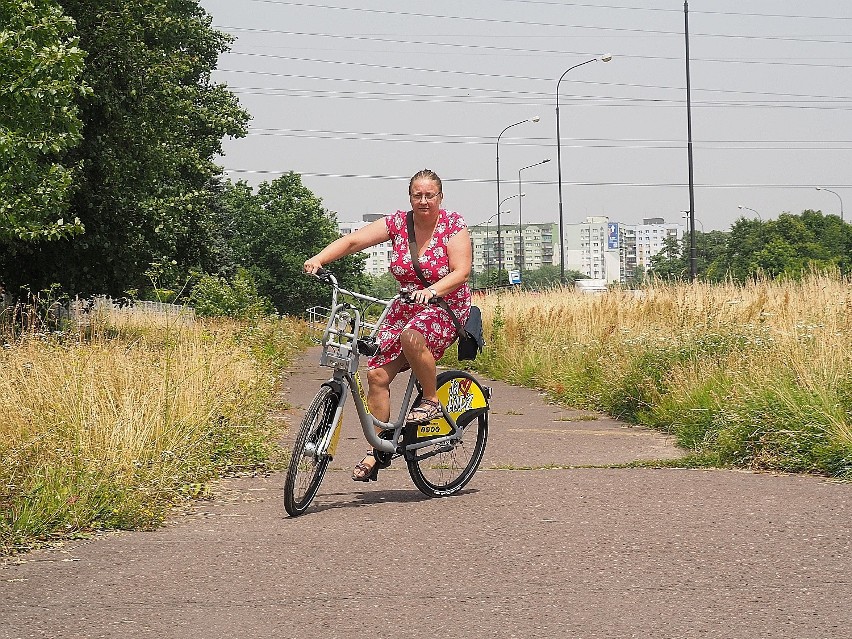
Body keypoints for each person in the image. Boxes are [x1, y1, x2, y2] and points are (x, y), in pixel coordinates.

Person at [303, 169, 472, 481]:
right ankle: (378, 449)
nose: (423, 200)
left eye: (429, 195)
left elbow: (461, 272)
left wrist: (432, 291)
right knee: (376, 375)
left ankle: (432, 400)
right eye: (417, 195)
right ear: (410, 197)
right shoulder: (398, 223)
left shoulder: (452, 225)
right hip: (406, 306)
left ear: (440, 197)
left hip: (445, 305)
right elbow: (353, 241)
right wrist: (319, 259)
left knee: (412, 337)